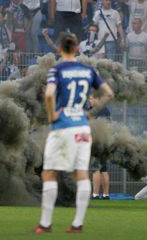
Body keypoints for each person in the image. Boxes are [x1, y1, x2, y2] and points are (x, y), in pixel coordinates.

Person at [33, 33, 113, 233]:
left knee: (49, 172)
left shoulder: (57, 69)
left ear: (60, 49)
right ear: (77, 48)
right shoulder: (88, 70)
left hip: (63, 127)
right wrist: (90, 113)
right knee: (82, 174)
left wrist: (52, 116)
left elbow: (49, 94)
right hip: (82, 127)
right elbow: (109, 94)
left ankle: (45, 224)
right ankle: (77, 224)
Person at [89, 93, 111, 200]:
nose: (90, 101)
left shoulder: (95, 111)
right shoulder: (106, 110)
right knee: (104, 170)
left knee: (95, 169)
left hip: (96, 143)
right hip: (105, 143)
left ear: (97, 99)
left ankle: (95, 194)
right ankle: (106, 195)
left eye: (91, 98)